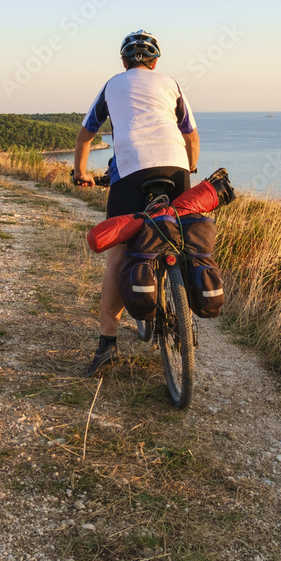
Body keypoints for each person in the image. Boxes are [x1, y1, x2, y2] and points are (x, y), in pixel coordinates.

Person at [72, 30, 200, 377]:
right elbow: (190, 135)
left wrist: (81, 172)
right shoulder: (170, 83)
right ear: (155, 63)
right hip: (175, 169)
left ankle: (107, 344)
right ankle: (185, 309)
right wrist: (189, 167)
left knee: (120, 251)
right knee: (178, 237)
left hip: (130, 170)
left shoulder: (113, 84)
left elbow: (86, 134)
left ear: (124, 62)